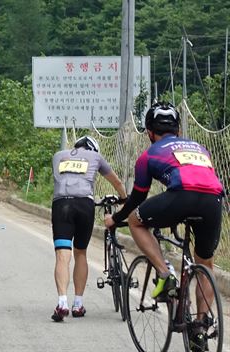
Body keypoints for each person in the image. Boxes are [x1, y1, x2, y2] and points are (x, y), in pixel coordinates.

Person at [105, 103, 223, 348]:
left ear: (149, 132)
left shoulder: (148, 155)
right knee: (206, 264)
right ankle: (200, 327)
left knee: (136, 221)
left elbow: (138, 198)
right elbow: (202, 179)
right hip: (214, 201)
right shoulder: (201, 148)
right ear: (178, 130)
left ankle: (164, 273)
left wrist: (115, 219)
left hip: (181, 197)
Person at [50, 135, 127, 322]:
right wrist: (124, 198)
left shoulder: (58, 155)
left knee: (62, 254)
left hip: (61, 205)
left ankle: (62, 303)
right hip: (85, 204)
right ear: (93, 148)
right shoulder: (95, 157)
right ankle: (78, 304)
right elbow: (116, 182)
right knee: (81, 253)